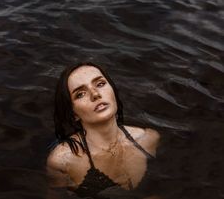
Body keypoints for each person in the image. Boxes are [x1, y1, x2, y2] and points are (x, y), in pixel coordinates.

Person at [46, 62, 160, 199]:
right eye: (80, 94)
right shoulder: (63, 160)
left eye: (100, 84)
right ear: (73, 114)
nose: (95, 94)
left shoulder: (148, 138)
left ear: (113, 90)